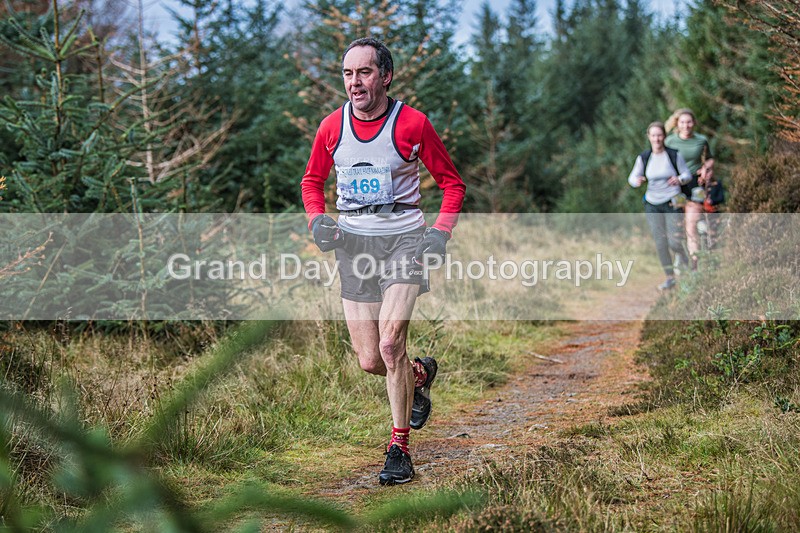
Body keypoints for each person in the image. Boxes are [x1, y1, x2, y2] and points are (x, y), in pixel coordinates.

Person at [300, 38, 466, 485]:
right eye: (348, 74)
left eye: (365, 73)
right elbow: (312, 182)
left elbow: (453, 185)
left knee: (391, 342)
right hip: (353, 246)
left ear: (385, 76)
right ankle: (419, 375)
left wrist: (439, 232)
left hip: (404, 242)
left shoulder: (412, 124)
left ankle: (398, 448)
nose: (355, 83)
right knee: (372, 360)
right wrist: (318, 222)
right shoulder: (331, 128)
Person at [629, 121, 692, 291]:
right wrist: (637, 181)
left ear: (664, 136)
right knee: (660, 241)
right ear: (649, 137)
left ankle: (686, 263)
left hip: (672, 201)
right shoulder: (644, 157)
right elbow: (632, 178)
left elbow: (687, 174)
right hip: (652, 204)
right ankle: (670, 277)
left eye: (659, 135)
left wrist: (679, 179)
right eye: (653, 135)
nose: (657, 138)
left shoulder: (673, 155)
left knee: (674, 240)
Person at [665, 108, 716, 268]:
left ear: (693, 123)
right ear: (677, 124)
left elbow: (710, 159)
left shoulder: (701, 140)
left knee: (690, 223)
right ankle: (680, 255)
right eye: (682, 122)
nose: (686, 126)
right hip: (675, 185)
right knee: (676, 225)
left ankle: (695, 262)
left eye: (689, 122)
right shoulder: (670, 142)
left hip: (694, 184)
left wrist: (705, 168)